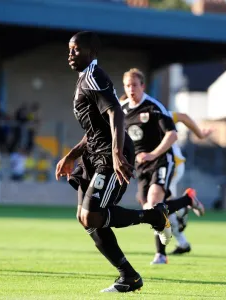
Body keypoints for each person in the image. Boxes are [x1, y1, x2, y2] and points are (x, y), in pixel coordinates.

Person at [55, 31, 171, 293]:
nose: (70, 54)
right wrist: (70, 156)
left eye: (76, 49)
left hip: (109, 155)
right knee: (85, 218)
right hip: (94, 155)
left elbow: (115, 112)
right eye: (69, 49)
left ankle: (154, 216)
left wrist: (117, 153)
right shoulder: (84, 78)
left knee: (92, 214)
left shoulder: (94, 76)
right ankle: (128, 276)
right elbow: (96, 127)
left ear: (92, 52)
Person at [121, 68, 205, 265]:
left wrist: (152, 154)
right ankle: (187, 200)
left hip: (161, 160)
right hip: (140, 166)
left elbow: (173, 134)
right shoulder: (121, 109)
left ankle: (161, 254)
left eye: (135, 85)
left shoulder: (153, 106)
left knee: (155, 202)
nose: (131, 89)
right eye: (128, 85)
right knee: (149, 208)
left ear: (143, 86)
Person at [167, 111, 212, 256]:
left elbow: (183, 117)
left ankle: (186, 202)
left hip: (169, 163)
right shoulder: (128, 112)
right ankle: (183, 208)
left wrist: (200, 134)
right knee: (160, 206)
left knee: (157, 205)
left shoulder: (151, 109)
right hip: (157, 166)